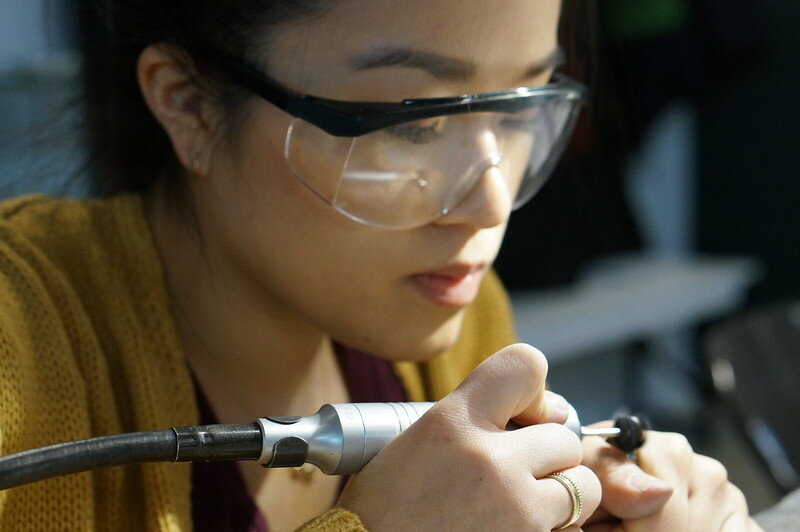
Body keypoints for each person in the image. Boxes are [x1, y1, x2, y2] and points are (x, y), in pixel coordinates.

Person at [0, 0, 760, 530]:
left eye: (521, 107)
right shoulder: (22, 344)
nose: (489, 201)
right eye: (413, 120)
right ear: (189, 105)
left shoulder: (461, 332)